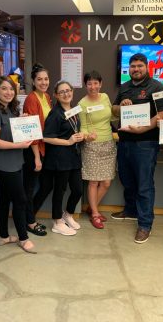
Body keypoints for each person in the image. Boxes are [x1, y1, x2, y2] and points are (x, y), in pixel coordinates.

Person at [111, 53, 163, 244]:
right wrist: (122, 106)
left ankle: (145, 224)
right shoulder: (125, 86)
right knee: (127, 179)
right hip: (125, 141)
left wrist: (143, 128)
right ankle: (131, 211)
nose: (136, 69)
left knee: (144, 184)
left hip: (145, 143)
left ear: (146, 67)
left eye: (139, 66)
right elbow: (114, 108)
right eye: (133, 66)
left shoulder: (156, 86)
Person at [0, 76, 36, 253]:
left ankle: (3, 236)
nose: (8, 92)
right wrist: (18, 145)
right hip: (1, 164)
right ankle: (23, 238)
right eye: (4, 89)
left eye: (11, 89)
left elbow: (13, 133)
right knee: (20, 200)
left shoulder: (12, 110)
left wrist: (22, 122)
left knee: (5, 198)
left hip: (15, 161)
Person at [32, 81, 84, 236]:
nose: (66, 94)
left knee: (78, 190)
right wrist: (68, 141)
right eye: (61, 92)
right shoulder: (55, 114)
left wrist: (80, 136)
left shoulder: (73, 111)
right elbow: (46, 138)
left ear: (72, 92)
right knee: (59, 191)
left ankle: (67, 214)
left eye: (68, 90)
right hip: (59, 158)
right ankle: (57, 222)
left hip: (73, 156)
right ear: (55, 95)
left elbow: (73, 129)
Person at [78, 70, 116, 229]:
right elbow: (83, 127)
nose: (93, 86)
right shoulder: (82, 104)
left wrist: (129, 115)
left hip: (109, 143)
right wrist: (88, 136)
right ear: (85, 85)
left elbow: (112, 117)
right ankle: (95, 213)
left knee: (106, 182)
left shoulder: (106, 97)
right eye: (89, 83)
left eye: (95, 83)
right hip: (92, 146)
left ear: (100, 84)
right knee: (94, 182)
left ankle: (91, 208)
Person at [23, 63, 52, 236]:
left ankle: (28, 216)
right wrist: (36, 158)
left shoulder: (47, 97)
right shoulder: (31, 99)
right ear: (33, 81)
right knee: (29, 188)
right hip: (33, 151)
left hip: (44, 149)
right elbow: (32, 130)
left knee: (46, 185)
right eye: (39, 79)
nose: (43, 82)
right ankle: (30, 222)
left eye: (46, 79)